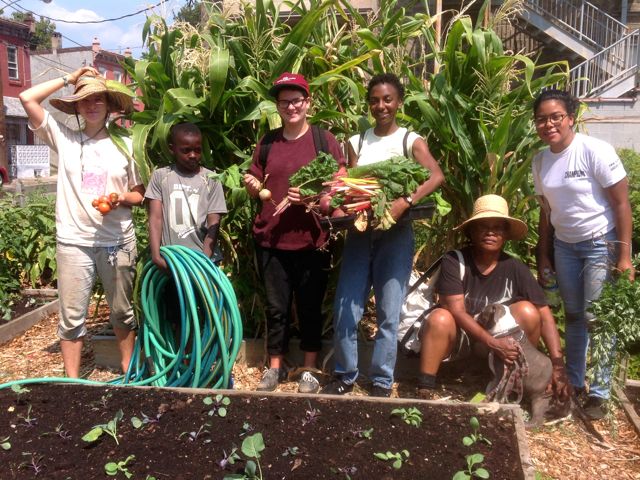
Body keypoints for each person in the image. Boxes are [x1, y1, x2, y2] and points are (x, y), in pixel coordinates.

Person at [322, 73, 445, 398]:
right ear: (369, 104)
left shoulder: (410, 140)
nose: (381, 106)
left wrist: (405, 202)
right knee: (346, 308)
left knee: (390, 311)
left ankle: (380, 381)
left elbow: (435, 176)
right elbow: (346, 184)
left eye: (387, 99)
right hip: (360, 234)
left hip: (396, 234)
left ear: (399, 102)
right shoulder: (357, 142)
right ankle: (345, 375)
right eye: (375, 100)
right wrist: (333, 201)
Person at [19, 67, 144, 378]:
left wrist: (118, 199)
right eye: (84, 99)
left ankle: (128, 368)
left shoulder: (126, 143)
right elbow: (26, 97)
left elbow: (139, 194)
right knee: (72, 316)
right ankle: (72, 381)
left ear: (109, 104)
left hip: (117, 239)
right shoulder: (65, 139)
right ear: (76, 105)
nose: (91, 105)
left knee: (122, 312)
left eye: (97, 99)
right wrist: (69, 78)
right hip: (74, 241)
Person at [532, 89, 634, 419]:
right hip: (564, 246)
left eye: (555, 117)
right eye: (541, 119)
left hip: (599, 243)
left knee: (597, 319)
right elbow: (545, 212)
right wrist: (544, 254)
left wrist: (624, 255)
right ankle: (575, 383)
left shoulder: (594, 151)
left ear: (571, 118)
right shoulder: (541, 160)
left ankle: (600, 393)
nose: (548, 124)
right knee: (574, 317)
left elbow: (621, 203)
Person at [243, 72, 346, 393]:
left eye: (296, 100)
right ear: (278, 106)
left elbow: (340, 182)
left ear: (308, 103)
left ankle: (309, 370)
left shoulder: (322, 140)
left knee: (310, 307)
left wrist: (316, 197)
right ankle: (274, 368)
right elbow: (254, 179)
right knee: (276, 308)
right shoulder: (268, 142)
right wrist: (251, 184)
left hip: (311, 240)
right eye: (284, 102)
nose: (291, 107)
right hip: (271, 239)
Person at [416, 195, 571, 404]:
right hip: (462, 340)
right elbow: (456, 310)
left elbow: (544, 313)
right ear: (472, 231)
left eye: (497, 227)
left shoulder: (515, 267)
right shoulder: (455, 260)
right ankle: (425, 386)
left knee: (528, 311)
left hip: (497, 344)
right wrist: (493, 343)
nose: (490, 232)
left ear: (505, 234)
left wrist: (558, 366)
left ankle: (516, 378)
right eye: (483, 227)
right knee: (440, 318)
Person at [145, 122, 227, 271]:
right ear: (172, 149)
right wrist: (156, 256)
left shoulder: (212, 179)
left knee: (204, 294)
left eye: (197, 150)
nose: (193, 155)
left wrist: (204, 260)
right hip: (171, 260)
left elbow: (214, 224)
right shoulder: (161, 177)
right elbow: (155, 218)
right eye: (186, 150)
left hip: (203, 260)